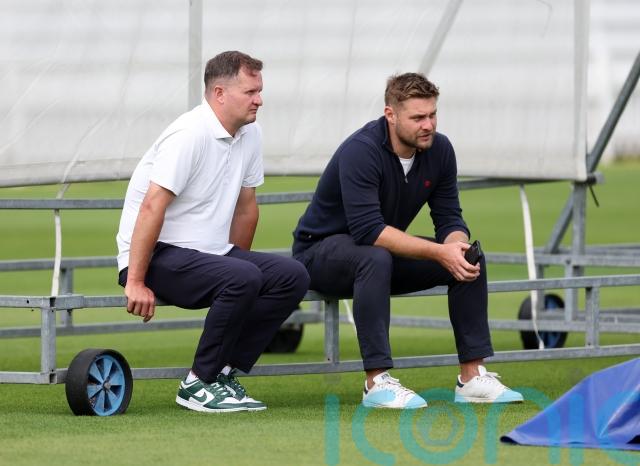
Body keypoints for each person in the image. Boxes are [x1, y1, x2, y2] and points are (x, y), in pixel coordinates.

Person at [292, 72, 523, 409]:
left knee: (469, 256)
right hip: (318, 254)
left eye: (432, 115)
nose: (428, 125)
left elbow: (449, 217)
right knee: (375, 257)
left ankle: (472, 377)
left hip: (377, 254)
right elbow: (369, 231)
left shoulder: (440, 149)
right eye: (417, 118)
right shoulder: (361, 150)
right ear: (391, 115)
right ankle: (376, 383)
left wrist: (455, 248)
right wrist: (439, 252)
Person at [116, 51, 310, 413]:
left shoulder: (250, 133)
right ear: (219, 93)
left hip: (208, 254)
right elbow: (152, 206)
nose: (259, 100)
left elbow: (246, 207)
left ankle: (222, 373)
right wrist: (136, 281)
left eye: (260, 91)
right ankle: (197, 384)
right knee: (242, 277)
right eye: (250, 92)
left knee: (292, 275)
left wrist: (239, 264)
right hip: (154, 255)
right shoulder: (189, 134)